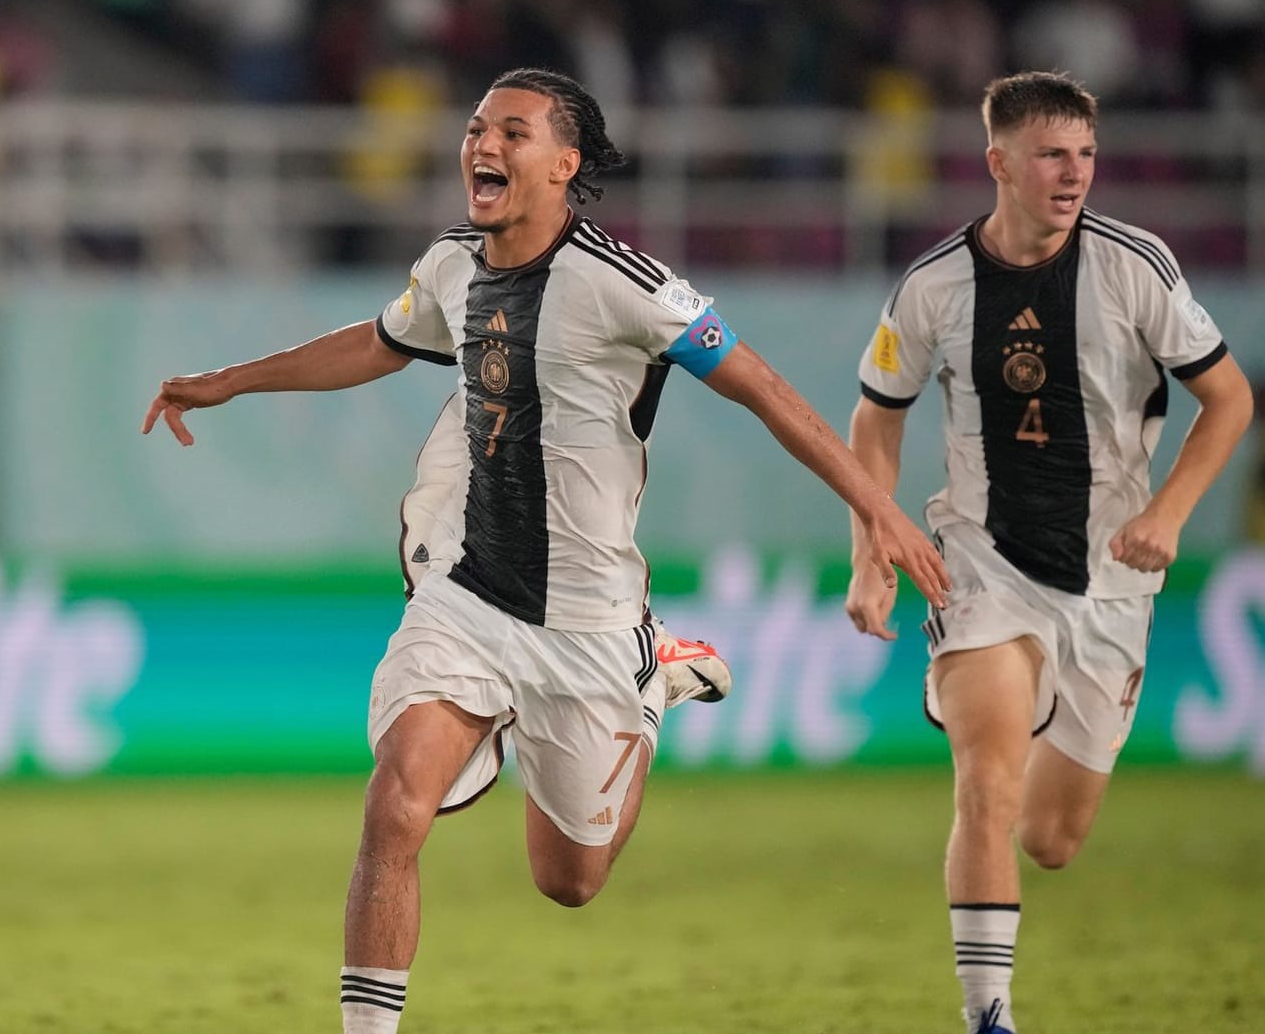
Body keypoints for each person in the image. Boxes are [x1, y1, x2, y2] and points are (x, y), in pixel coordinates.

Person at [142, 67, 950, 1034]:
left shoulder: (631, 287)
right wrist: (228, 382)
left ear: (565, 165)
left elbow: (764, 389)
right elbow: (378, 342)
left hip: (590, 623)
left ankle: (657, 676)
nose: (484, 144)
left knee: (569, 882)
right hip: (469, 596)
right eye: (478, 127)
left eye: (513, 132)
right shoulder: (452, 262)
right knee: (396, 802)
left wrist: (878, 512)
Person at [845, 71, 1252, 1034]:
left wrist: (1172, 513)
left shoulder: (1136, 268)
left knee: (1053, 838)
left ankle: (1027, 715)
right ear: (999, 165)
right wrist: (873, 549)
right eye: (1050, 155)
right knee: (985, 780)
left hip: (1112, 580)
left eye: (1084, 155)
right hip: (981, 562)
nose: (1073, 174)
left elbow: (1228, 399)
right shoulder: (935, 284)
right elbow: (876, 418)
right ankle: (988, 1016)